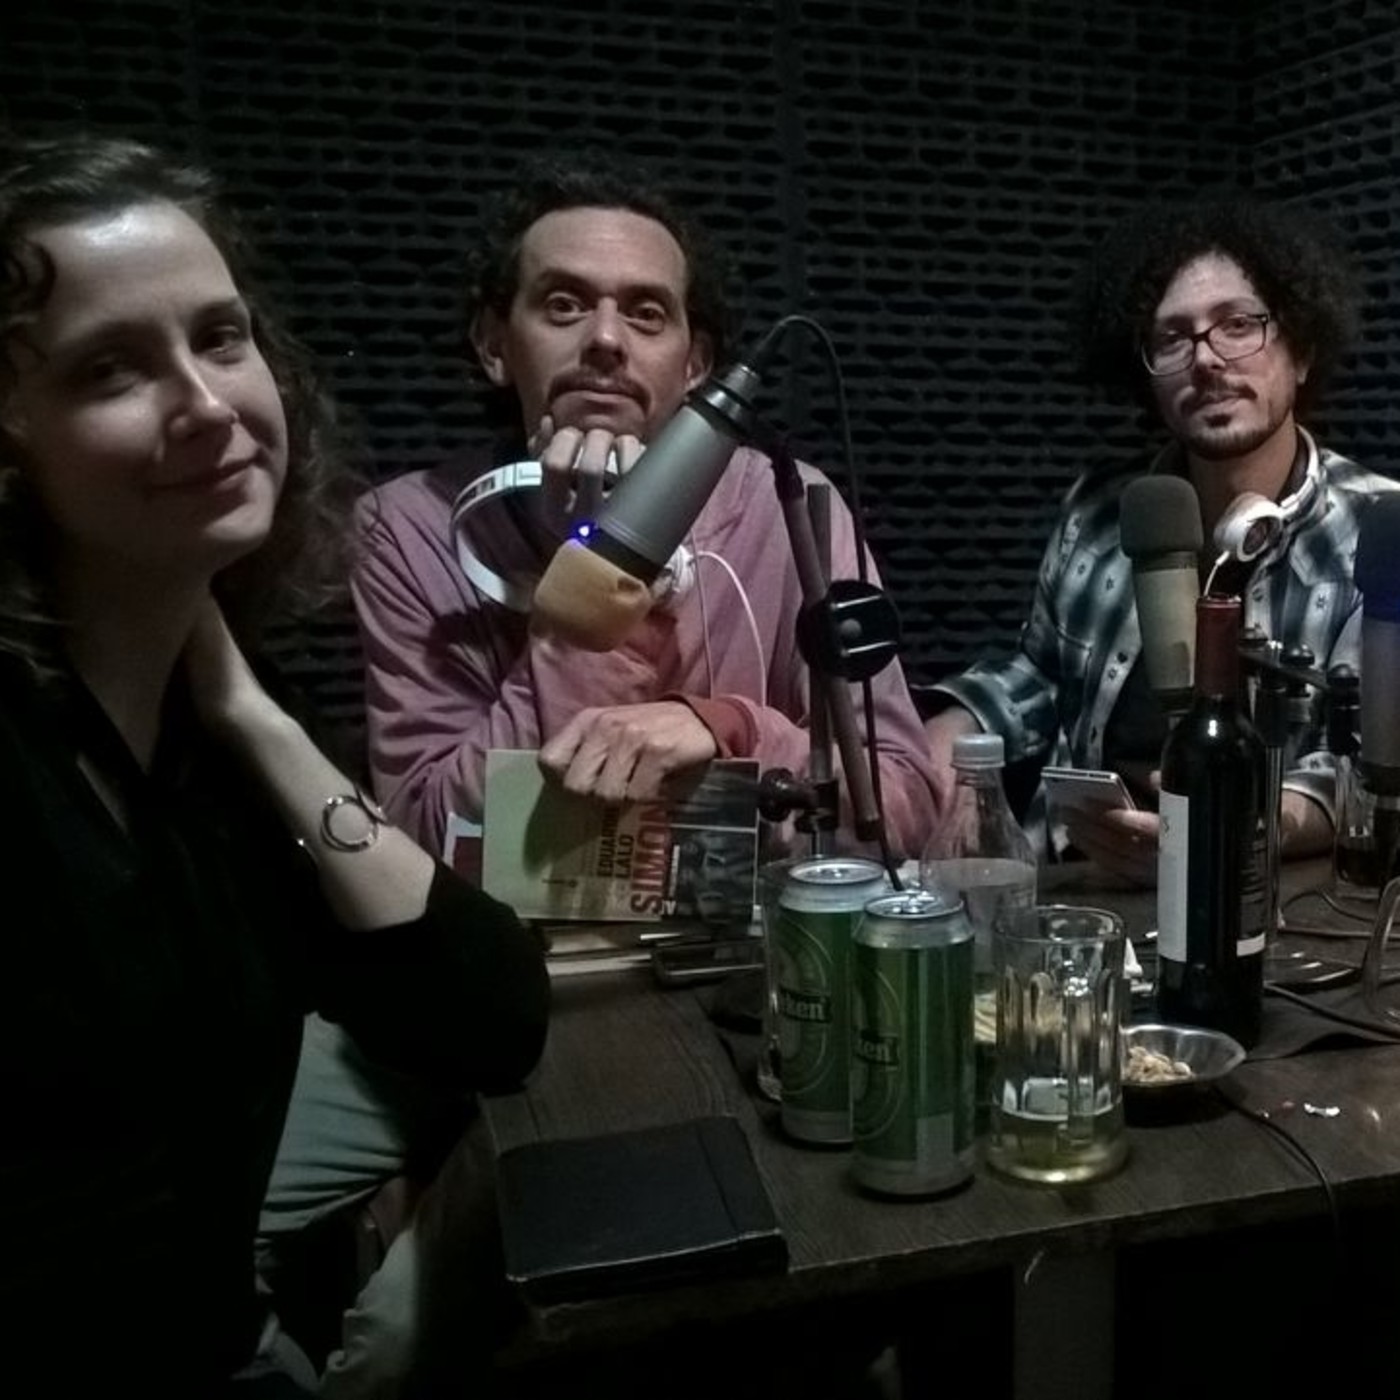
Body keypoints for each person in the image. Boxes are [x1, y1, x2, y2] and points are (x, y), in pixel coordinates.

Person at [0, 133, 549, 1395]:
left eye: (221, 336)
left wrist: (255, 717)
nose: (206, 403)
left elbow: (489, 1013)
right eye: (109, 367)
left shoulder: (217, 726)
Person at [351, 153, 939, 866]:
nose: (605, 340)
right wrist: (593, 586)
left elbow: (902, 809)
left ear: (696, 365)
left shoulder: (789, 507)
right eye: (563, 305)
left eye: (646, 313)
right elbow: (419, 843)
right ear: (493, 344)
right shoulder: (408, 529)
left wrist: (730, 727)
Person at [924, 194, 1399, 885]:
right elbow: (1043, 675)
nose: (1206, 359)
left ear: (1301, 352)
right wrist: (954, 731)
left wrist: (1234, 828)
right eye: (1173, 337)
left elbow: (1369, 758)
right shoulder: (1099, 510)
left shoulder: (1378, 529)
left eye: (1238, 325)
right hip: (1083, 884)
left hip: (1264, 895)